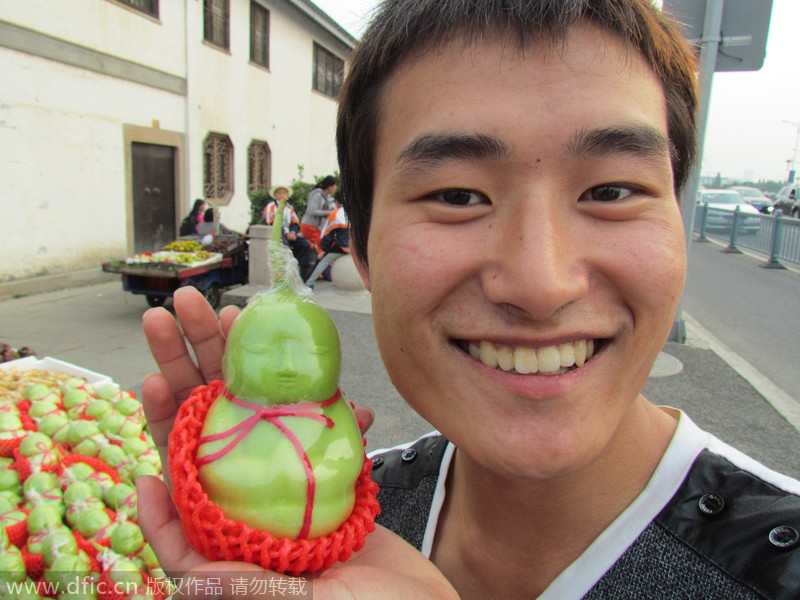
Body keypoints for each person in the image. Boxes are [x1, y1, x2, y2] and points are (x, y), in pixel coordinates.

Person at [138, 1, 800, 599]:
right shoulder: (331, 518)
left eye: (611, 191)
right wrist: (245, 530)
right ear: (361, 251)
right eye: (457, 196)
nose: (542, 285)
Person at [264, 184, 316, 281]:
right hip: (277, 234)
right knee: (284, 245)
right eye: (279, 193)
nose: (282, 195)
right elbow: (272, 223)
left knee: (305, 244)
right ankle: (285, 273)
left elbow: (295, 222)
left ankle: (299, 269)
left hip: (289, 234)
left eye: (284, 193)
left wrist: (292, 232)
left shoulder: (289, 208)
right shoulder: (270, 207)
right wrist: (285, 233)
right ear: (275, 195)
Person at [304, 194, 350, 288]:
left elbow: (328, 235)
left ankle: (309, 283)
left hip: (341, 247)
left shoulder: (335, 214)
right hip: (354, 249)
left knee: (323, 261)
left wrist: (325, 250)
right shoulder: (355, 213)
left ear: (337, 202)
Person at [300, 175, 337, 256]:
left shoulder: (328, 198)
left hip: (317, 228)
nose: (336, 187)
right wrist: (327, 213)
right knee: (322, 245)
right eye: (335, 185)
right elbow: (312, 211)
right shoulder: (317, 195)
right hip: (309, 226)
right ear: (330, 186)